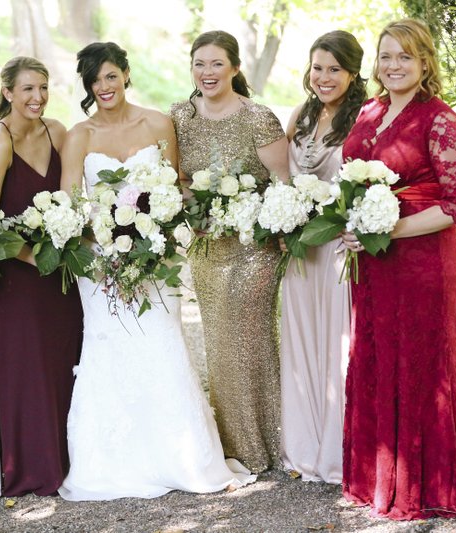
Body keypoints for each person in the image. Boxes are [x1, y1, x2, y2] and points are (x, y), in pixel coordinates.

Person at [57, 42, 255, 501]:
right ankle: (111, 462)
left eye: (110, 75)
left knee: (162, 344)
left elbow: (173, 189)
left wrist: (154, 237)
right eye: (94, 79)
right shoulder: (79, 135)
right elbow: (71, 204)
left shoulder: (157, 123)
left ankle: (180, 456)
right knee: (109, 349)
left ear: (126, 74)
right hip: (102, 260)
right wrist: (106, 241)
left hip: (156, 259)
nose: (103, 86)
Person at [340, 19, 456, 519]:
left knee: (419, 364)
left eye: (404, 57)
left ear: (424, 63)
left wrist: (390, 230)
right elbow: (352, 184)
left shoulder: (439, 119)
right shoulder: (369, 111)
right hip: (372, 264)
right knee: (375, 354)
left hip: (422, 264)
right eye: (385, 56)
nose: (392, 66)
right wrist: (351, 226)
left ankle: (426, 486)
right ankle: (377, 480)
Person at [171, 30, 289, 473]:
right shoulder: (180, 117)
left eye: (216, 63)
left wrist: (256, 219)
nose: (207, 73)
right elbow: (177, 178)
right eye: (199, 63)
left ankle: (269, 442)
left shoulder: (258, 118)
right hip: (207, 249)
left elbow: (283, 183)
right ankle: (231, 444)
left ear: (235, 68)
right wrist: (193, 207)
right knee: (220, 345)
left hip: (254, 250)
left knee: (251, 341)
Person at [0, 56, 83, 497]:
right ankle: (34, 467)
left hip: (63, 272)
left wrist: (65, 247)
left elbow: (75, 198)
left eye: (43, 88)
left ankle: (72, 458)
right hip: (21, 274)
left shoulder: (58, 132)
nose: (37, 97)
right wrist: (35, 257)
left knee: (67, 358)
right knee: (31, 366)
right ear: (7, 93)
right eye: (27, 90)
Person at [279, 30, 366, 484]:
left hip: (337, 250)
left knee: (338, 348)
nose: (324, 77)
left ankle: (340, 450)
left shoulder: (363, 119)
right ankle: (305, 448)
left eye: (334, 69)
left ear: (353, 73)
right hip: (300, 252)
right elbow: (281, 176)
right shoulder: (301, 114)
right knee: (302, 343)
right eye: (317, 68)